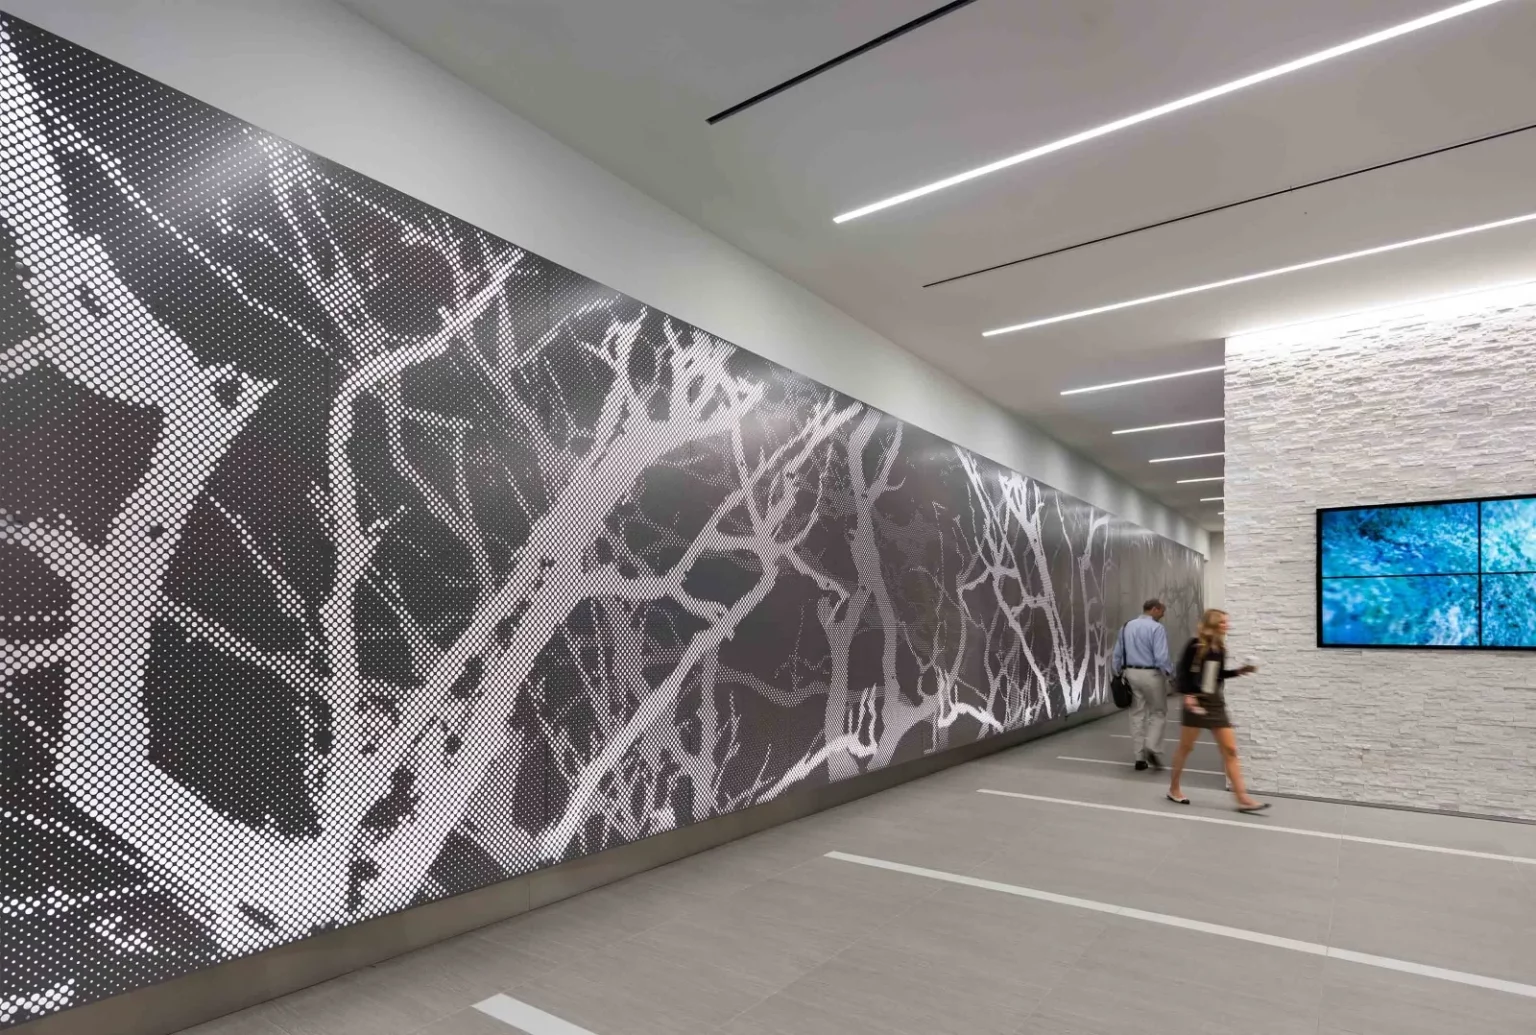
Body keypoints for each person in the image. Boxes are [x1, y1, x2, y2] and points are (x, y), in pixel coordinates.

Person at [1167, 608, 1269, 813]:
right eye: (1223, 622)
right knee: (1185, 748)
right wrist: (1188, 695)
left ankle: (1242, 798)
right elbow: (1182, 673)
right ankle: (1173, 788)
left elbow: (1217, 674)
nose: (1226, 625)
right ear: (1212, 624)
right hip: (1195, 701)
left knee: (1230, 750)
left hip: (1215, 703)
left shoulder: (1220, 648)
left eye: (1226, 622)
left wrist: (1240, 671)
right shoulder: (1194, 645)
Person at [1111, 599, 1173, 771]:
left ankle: (1139, 758)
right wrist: (1170, 674)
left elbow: (1117, 654)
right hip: (1152, 674)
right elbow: (1161, 657)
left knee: (1136, 714)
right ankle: (1152, 747)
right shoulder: (1157, 628)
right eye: (1162, 611)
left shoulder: (1126, 627)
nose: (1162, 615)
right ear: (1154, 609)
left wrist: (1117, 673)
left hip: (1130, 674)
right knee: (1158, 712)